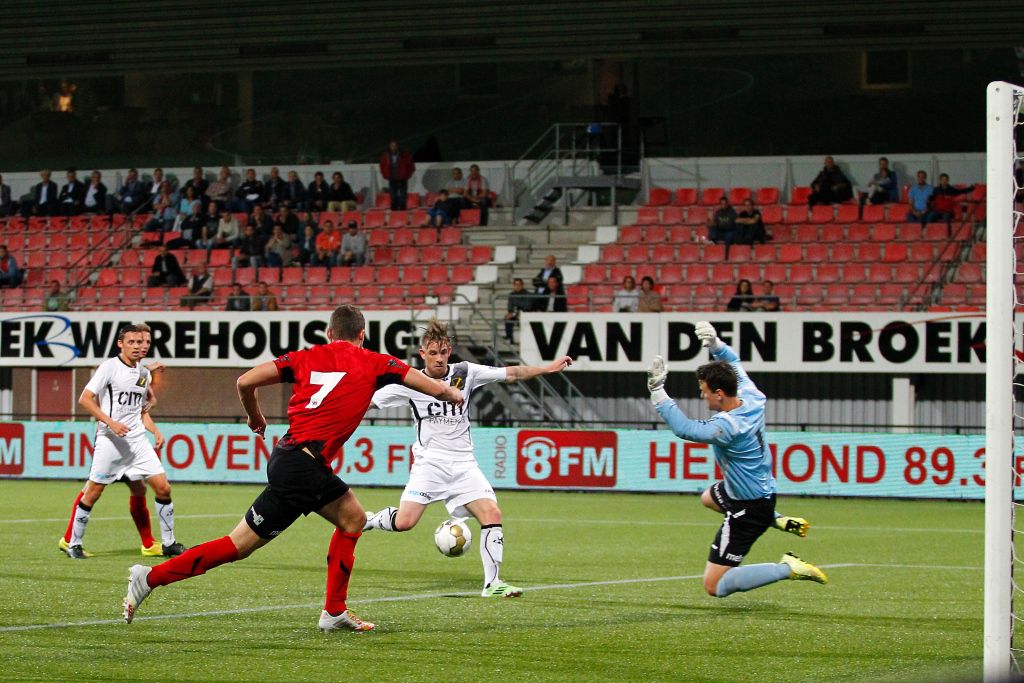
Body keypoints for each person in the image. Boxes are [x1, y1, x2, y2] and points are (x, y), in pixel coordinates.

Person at [122, 305, 466, 631]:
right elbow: (434, 388)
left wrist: (254, 415)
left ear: (330, 333)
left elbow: (244, 381)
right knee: (239, 545)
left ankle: (334, 610)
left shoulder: (305, 357)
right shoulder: (376, 362)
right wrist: (452, 394)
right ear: (362, 335)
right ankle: (150, 578)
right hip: (304, 467)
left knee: (352, 519)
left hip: (292, 459)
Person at [365, 319, 572, 598]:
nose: (439, 359)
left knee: (492, 514)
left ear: (449, 351)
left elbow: (510, 372)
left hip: (464, 466)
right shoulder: (411, 381)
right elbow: (368, 401)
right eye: (433, 353)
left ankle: (493, 583)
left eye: (443, 352)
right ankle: (370, 520)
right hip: (430, 464)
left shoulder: (466, 372)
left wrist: (546, 368)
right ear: (422, 353)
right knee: (404, 523)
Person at [645, 321, 824, 599]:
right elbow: (734, 362)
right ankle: (775, 520)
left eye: (704, 390)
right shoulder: (751, 396)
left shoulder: (729, 427)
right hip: (754, 491)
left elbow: (686, 429)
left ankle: (787, 567)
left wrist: (658, 392)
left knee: (715, 586)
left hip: (747, 506)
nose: (701, 394)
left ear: (719, 394)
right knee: (708, 497)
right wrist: (715, 344)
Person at [63, 325, 185, 560]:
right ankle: (74, 544)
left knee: (163, 487)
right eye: (132, 342)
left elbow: (139, 409)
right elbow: (85, 399)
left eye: (142, 342)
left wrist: (154, 430)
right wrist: (111, 423)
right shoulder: (108, 367)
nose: (139, 346)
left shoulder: (143, 373)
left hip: (137, 440)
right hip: (110, 440)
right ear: (120, 343)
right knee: (93, 492)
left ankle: (168, 543)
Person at [380, 139, 415, 210]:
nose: (393, 147)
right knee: (393, 199)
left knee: (403, 199)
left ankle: (403, 215)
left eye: (395, 146)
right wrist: (386, 175)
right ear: (389, 147)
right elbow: (382, 166)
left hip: (402, 179)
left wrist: (406, 175)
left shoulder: (405, 156)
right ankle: (394, 215)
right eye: (392, 146)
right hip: (392, 179)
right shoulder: (386, 156)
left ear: (398, 146)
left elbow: (411, 167)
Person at [504, 277, 534, 343]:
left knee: (522, 317)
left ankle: (526, 339)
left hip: (525, 313)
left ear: (522, 285)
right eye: (516, 285)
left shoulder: (527, 294)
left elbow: (527, 306)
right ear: (514, 286)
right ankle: (509, 337)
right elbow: (510, 307)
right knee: (507, 317)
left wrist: (518, 312)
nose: (517, 286)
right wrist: (513, 313)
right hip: (515, 314)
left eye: (519, 285)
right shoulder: (511, 295)